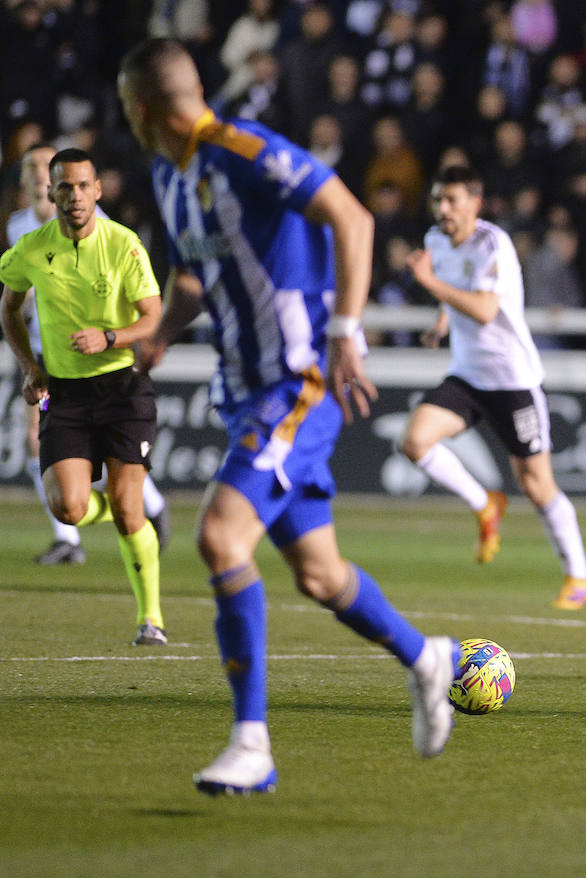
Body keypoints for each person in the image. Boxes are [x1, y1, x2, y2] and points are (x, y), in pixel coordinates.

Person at [117, 37, 462, 796]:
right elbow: (189, 279)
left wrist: (344, 332)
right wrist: (158, 338)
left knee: (218, 536)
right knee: (319, 573)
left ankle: (252, 743)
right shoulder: (170, 177)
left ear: (142, 110)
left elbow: (351, 216)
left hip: (299, 382)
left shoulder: (244, 150)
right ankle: (427, 657)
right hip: (246, 387)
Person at [400, 164, 586, 610]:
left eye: (451, 200)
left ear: (474, 202)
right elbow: (457, 292)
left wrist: (430, 284)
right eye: (437, 200)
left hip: (512, 380)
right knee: (414, 441)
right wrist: (441, 322)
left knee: (535, 483)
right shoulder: (435, 241)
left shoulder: (494, 244)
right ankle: (485, 504)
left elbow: (487, 309)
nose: (443, 209)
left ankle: (580, 576)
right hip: (468, 374)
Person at [1, 148, 168, 647]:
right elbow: (9, 310)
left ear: (97, 190)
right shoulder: (31, 248)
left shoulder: (124, 244)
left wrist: (110, 337)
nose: (74, 197)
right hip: (65, 392)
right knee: (68, 508)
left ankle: (151, 618)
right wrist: (31, 366)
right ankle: (127, 509)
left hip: (121, 386)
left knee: (126, 507)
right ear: (49, 194)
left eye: (82, 186)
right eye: (64, 188)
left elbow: (153, 315)